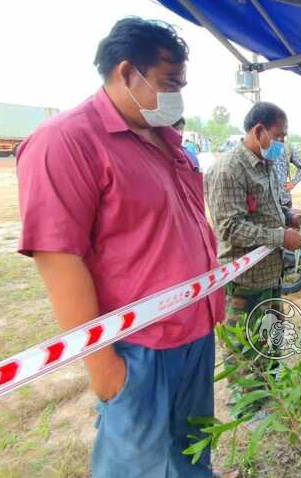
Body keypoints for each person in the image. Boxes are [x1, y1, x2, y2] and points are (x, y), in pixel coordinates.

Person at [16, 18, 224, 478]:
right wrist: (102, 364)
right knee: (142, 467)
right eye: (170, 83)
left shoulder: (164, 139)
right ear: (127, 73)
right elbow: (57, 256)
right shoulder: (67, 140)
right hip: (138, 345)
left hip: (194, 332)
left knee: (191, 454)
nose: (178, 96)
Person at [204, 102, 301, 412]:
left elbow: (263, 211)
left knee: (268, 338)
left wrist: (287, 216)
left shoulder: (265, 165)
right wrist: (280, 237)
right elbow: (230, 227)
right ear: (258, 130)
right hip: (244, 281)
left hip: (269, 275)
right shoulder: (229, 170)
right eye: (279, 136)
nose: (282, 144)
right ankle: (245, 408)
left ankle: (267, 393)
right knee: (243, 348)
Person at [272, 141, 301, 209]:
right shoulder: (261, 148)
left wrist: (293, 183)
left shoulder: (287, 148)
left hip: (285, 199)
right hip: (267, 202)